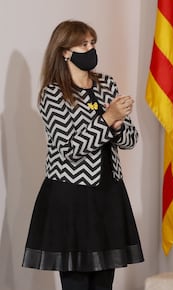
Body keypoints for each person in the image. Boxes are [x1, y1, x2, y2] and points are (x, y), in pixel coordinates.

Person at [22, 20, 144, 290]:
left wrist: (118, 124)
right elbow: (69, 149)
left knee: (104, 281)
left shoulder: (106, 84)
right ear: (65, 51)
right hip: (71, 197)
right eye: (83, 44)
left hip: (108, 192)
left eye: (92, 43)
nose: (90, 49)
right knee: (76, 281)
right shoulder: (53, 94)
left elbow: (130, 140)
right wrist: (107, 119)